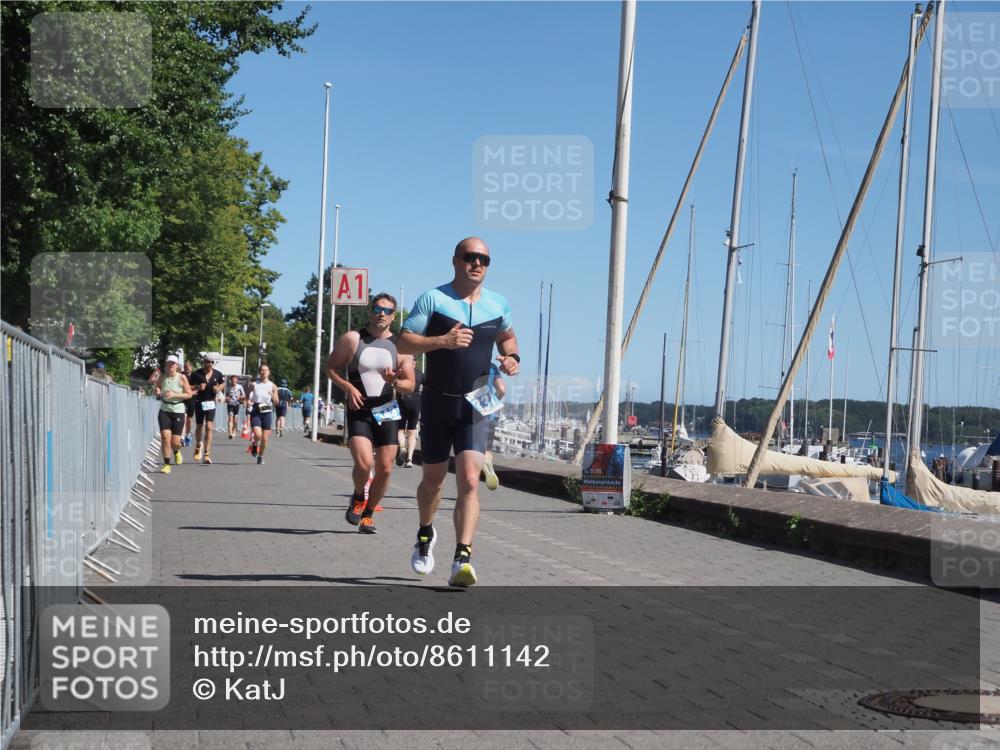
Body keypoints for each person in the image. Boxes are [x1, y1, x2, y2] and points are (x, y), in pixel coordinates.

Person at [398, 237, 519, 586]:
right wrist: (441, 342)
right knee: (433, 481)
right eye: (470, 257)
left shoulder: (498, 304)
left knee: (469, 479)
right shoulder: (434, 299)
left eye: (483, 259)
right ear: (455, 260)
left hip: (476, 404)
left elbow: (508, 340)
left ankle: (461, 559)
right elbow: (403, 342)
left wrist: (512, 358)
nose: (477, 263)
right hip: (438, 401)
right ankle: (425, 535)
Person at [327, 294, 415, 535]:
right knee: (365, 464)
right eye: (377, 309)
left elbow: (410, 384)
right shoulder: (352, 339)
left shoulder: (401, 346)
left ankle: (368, 514)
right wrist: (348, 386)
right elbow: (330, 367)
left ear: (394, 316)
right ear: (370, 311)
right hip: (360, 410)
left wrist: (394, 381)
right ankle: (358, 496)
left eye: (387, 311)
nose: (382, 314)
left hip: (386, 410)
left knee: (386, 468)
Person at [154, 355, 193, 474]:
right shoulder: (162, 376)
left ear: (177, 366)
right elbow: (157, 388)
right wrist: (157, 391)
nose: (171, 365)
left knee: (175, 442)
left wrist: (175, 395)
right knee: (165, 438)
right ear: (166, 365)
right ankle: (166, 464)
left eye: (173, 363)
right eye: (169, 363)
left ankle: (176, 451)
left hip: (178, 410)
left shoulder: (182, 377)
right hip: (164, 410)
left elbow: (189, 394)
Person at [188, 354, 225, 463]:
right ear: (203, 362)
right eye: (207, 362)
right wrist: (198, 387)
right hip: (199, 402)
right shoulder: (196, 374)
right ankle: (198, 444)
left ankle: (207, 453)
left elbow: (223, 383)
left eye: (211, 362)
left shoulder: (218, 374)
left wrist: (218, 388)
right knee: (199, 427)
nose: (209, 364)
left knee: (209, 427)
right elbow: (188, 386)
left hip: (211, 403)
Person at [247, 364, 279, 465]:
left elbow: (277, 402)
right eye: (262, 370)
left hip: (267, 411)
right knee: (258, 434)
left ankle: (260, 456)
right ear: (259, 372)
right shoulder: (254, 384)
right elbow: (247, 395)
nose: (264, 372)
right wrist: (248, 397)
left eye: (266, 370)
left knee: (265, 439)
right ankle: (255, 444)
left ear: (269, 373)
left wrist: (272, 395)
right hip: (256, 410)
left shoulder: (273, 386)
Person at [396, 367, 425, 468]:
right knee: (412, 431)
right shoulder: (420, 374)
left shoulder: (401, 373)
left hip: (402, 401)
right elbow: (427, 387)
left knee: (400, 429)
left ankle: (402, 447)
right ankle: (409, 459)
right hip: (416, 403)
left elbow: (393, 386)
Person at [225, 374, 245, 439]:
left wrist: (240, 397)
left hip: (237, 404)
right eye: (232, 380)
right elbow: (226, 396)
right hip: (230, 404)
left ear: (237, 380)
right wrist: (227, 398)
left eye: (234, 379)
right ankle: (230, 433)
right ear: (230, 381)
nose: (233, 381)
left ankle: (234, 430)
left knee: (235, 420)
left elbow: (244, 396)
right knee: (230, 418)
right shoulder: (228, 387)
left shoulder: (240, 387)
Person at [181, 360, 196, 446]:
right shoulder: (181, 375)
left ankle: (188, 435)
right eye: (185, 366)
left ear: (191, 367)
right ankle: (182, 437)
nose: (186, 368)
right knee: (183, 416)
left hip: (191, 399)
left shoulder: (195, 376)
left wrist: (193, 392)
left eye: (188, 366)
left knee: (189, 419)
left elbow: (198, 387)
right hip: (182, 398)